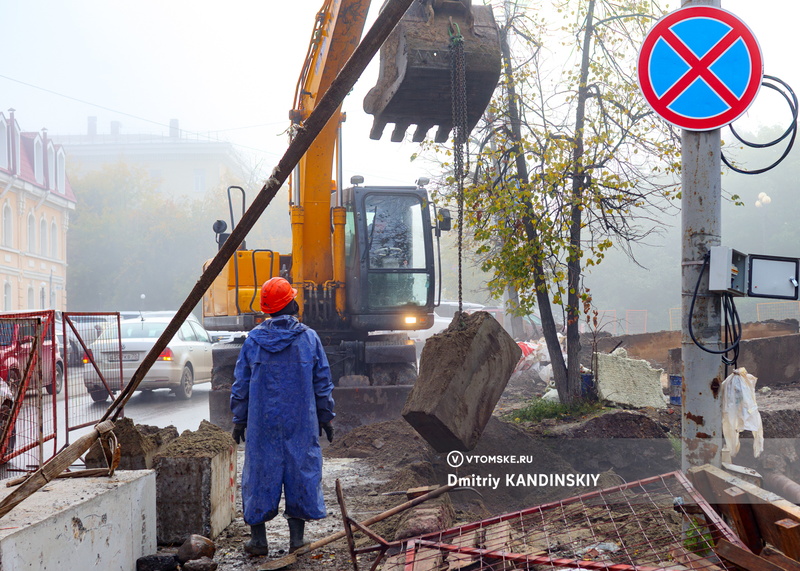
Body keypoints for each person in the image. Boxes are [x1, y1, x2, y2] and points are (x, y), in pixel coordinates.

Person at [230, 276, 335, 557]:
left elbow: (241, 385)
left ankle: (258, 542)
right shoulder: (308, 339)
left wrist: (239, 419)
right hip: (300, 421)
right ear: (291, 302)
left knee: (259, 473)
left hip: (262, 423)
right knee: (301, 470)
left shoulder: (253, 341)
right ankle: (297, 541)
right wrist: (326, 417)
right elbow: (322, 382)